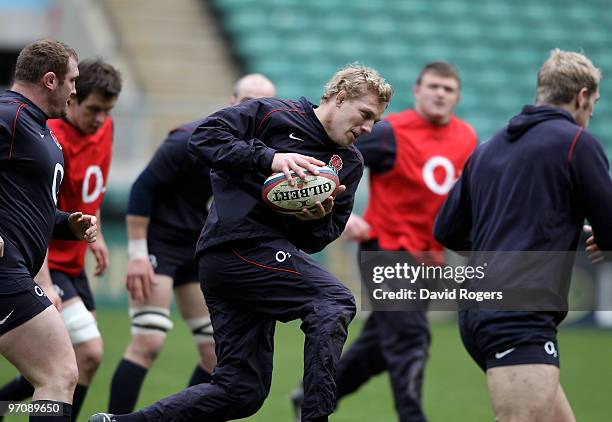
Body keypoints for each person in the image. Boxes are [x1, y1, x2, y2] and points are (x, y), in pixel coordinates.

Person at [89, 63, 393, 422]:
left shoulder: (350, 165)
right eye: (365, 114)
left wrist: (313, 219)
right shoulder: (274, 114)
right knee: (334, 300)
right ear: (340, 98)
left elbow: (319, 239)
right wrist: (271, 158)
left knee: (241, 390)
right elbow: (203, 137)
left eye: (375, 121)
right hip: (234, 248)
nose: (368, 128)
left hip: (254, 262)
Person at [292, 62, 477, 422]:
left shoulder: (467, 138)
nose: (440, 93)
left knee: (379, 347)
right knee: (410, 337)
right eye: (433, 86)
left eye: (448, 89)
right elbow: (336, 160)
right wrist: (345, 214)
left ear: (457, 97)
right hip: (386, 250)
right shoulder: (391, 131)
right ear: (418, 90)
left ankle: (310, 395)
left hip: (428, 260)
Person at [434, 49, 612, 421]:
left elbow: (446, 230)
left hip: (481, 310)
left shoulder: (486, 150)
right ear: (581, 96)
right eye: (592, 103)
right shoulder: (578, 144)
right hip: (518, 315)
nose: (591, 112)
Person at [107, 73, 276, 414]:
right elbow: (143, 188)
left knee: (216, 353)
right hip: (159, 242)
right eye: (248, 101)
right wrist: (138, 253)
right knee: (148, 341)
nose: (254, 109)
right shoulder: (190, 137)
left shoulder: (254, 152)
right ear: (232, 101)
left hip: (196, 247)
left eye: (264, 105)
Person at [0, 58, 122, 421]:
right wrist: (46, 281)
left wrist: (76, 225)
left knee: (69, 366)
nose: (99, 118)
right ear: (53, 82)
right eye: (73, 83)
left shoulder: (44, 131)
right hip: (36, 268)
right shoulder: (22, 121)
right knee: (70, 364)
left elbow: (37, 211)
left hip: (58, 262)